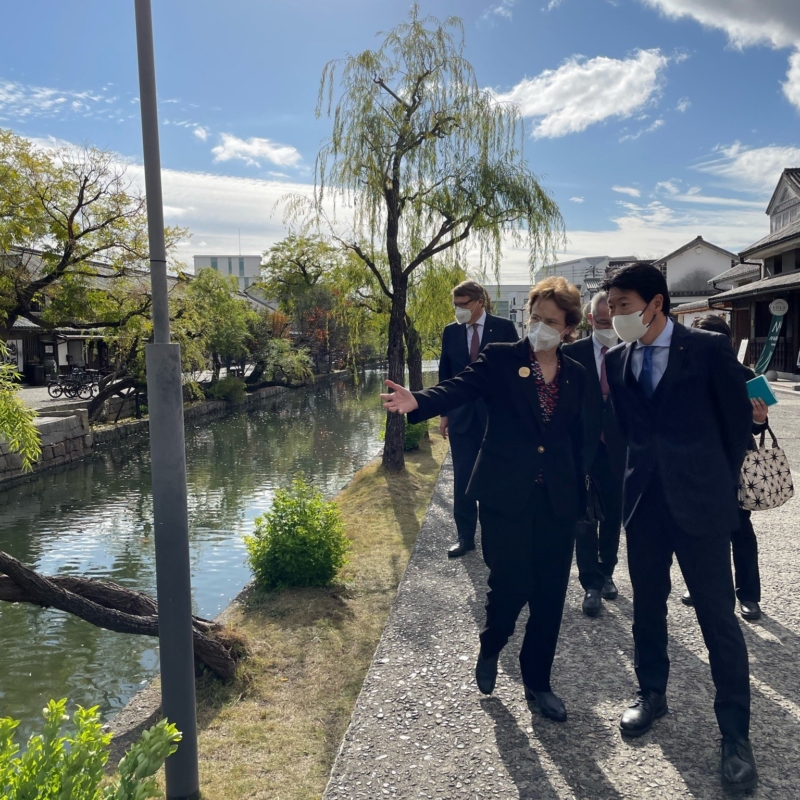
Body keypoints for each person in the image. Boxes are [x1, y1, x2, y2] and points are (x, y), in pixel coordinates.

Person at [381, 277, 588, 722]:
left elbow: (584, 440)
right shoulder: (501, 358)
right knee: (512, 585)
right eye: (535, 317)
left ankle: (538, 684)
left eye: (551, 321)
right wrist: (416, 400)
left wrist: (588, 496)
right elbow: (458, 388)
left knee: (550, 596)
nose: (540, 327)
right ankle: (491, 645)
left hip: (556, 499)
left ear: (570, 328)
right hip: (503, 495)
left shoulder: (578, 374)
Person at [601, 263, 757, 792]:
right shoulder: (617, 358)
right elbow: (626, 431)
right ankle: (652, 693)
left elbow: (737, 429)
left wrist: (709, 483)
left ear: (655, 304)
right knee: (647, 607)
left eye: (623, 305)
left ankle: (735, 735)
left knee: (718, 618)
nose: (614, 315)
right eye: (612, 306)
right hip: (644, 506)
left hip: (701, 507)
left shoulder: (708, 351)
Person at [681, 314, 768, 621]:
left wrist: (758, 418)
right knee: (698, 531)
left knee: (740, 530)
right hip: (696, 463)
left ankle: (749, 595)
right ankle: (700, 586)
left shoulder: (746, 375)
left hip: (735, 465)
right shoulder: (684, 373)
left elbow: (760, 426)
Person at [438, 281, 518, 557]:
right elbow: (445, 374)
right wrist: (444, 413)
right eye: (455, 305)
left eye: (463, 305)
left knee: (494, 475)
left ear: (479, 302)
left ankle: (496, 536)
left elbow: (515, 373)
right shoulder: (450, 332)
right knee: (462, 477)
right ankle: (465, 536)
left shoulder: (504, 328)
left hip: (494, 416)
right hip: (461, 415)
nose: (458, 310)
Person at [563, 291, 625, 617]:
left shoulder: (630, 351)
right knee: (584, 517)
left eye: (613, 321)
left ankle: (607, 572)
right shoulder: (571, 354)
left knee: (613, 514)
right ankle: (590, 583)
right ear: (590, 320)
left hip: (618, 447)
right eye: (602, 321)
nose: (608, 326)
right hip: (582, 448)